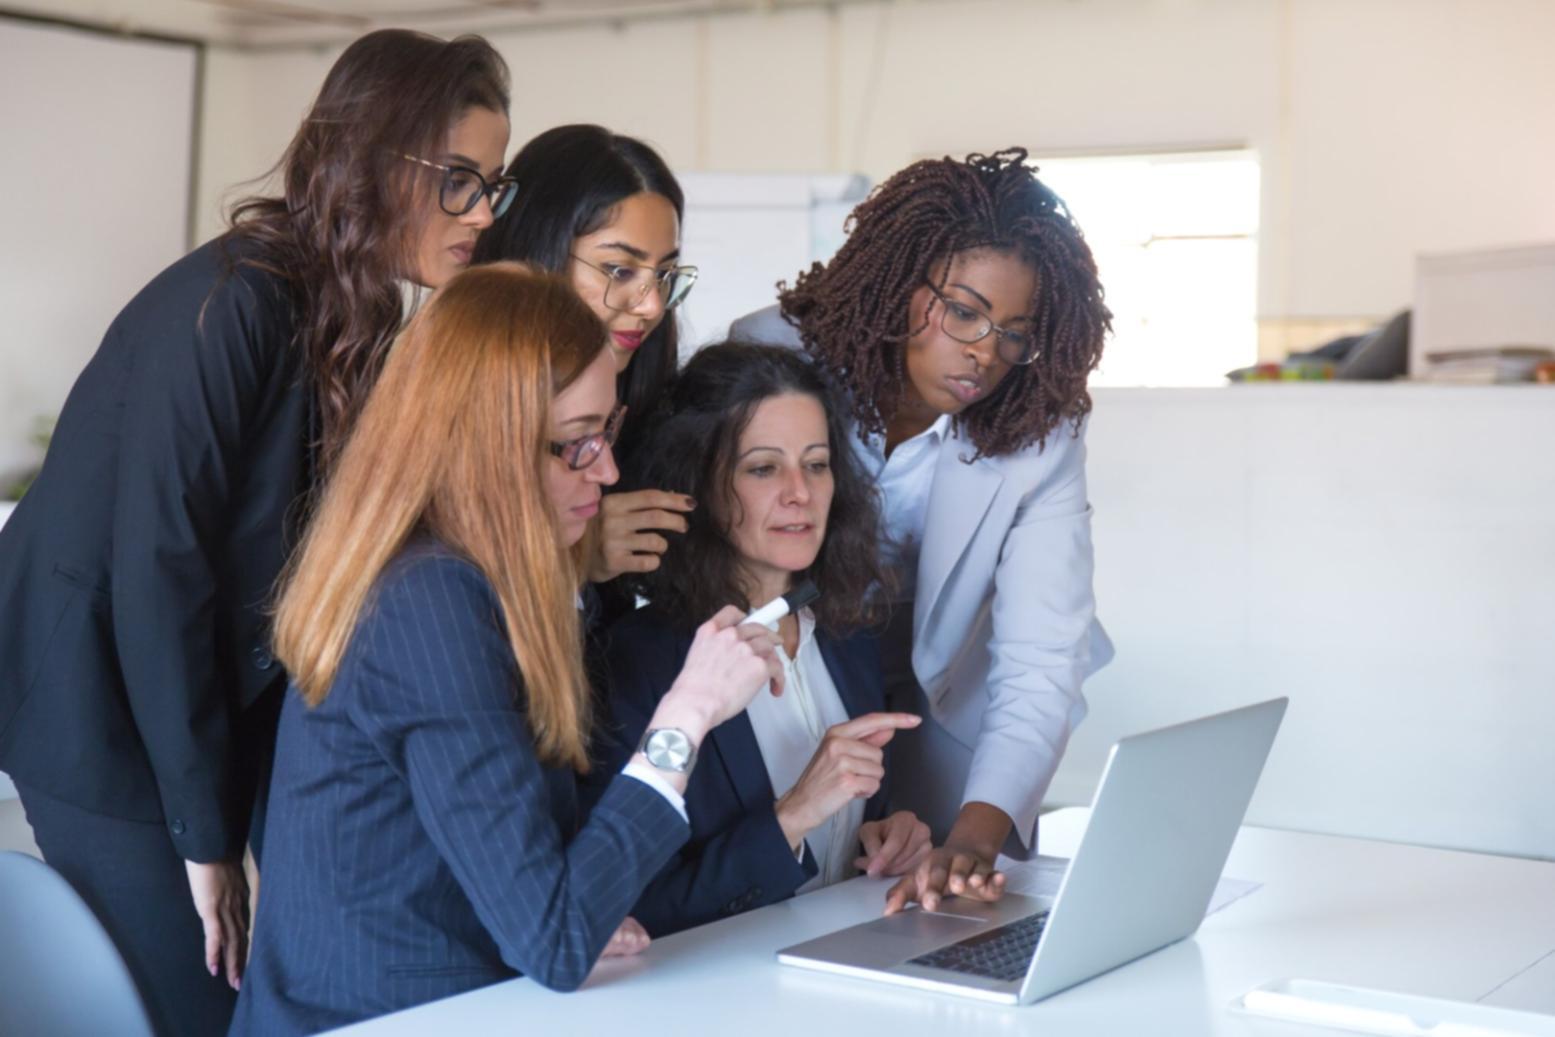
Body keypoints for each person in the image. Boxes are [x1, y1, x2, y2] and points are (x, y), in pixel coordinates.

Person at [0, 29, 513, 1037]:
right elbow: (160, 573)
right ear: (375, 159)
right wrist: (207, 837)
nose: (483, 213)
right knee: (203, 998)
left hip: (190, 701)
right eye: (459, 180)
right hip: (92, 711)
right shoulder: (239, 299)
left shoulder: (351, 312)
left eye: (493, 183)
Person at [231, 265, 783, 1036]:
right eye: (573, 446)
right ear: (483, 447)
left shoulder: (471, 581)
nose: (609, 470)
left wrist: (575, 911)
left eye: (606, 431)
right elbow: (553, 938)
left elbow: (528, 887)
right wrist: (685, 715)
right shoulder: (430, 603)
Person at [731, 148, 1114, 915]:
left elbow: (1041, 652)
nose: (984, 352)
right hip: (788, 683)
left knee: (928, 912)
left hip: (942, 708)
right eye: (964, 311)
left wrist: (975, 831)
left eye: (1015, 332)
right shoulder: (772, 355)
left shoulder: (1037, 427)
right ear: (897, 280)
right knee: (783, 895)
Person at [601, 342, 930, 936]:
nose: (800, 492)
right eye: (762, 467)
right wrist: (796, 814)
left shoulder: (848, 635)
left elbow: (851, 828)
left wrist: (886, 835)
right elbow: (629, 907)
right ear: (696, 482)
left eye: (817, 463)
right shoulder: (638, 660)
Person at [471, 124, 699, 589]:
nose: (652, 304)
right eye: (619, 269)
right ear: (539, 255)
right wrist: (574, 558)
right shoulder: (458, 414)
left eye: (665, 273)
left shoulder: (655, 406)